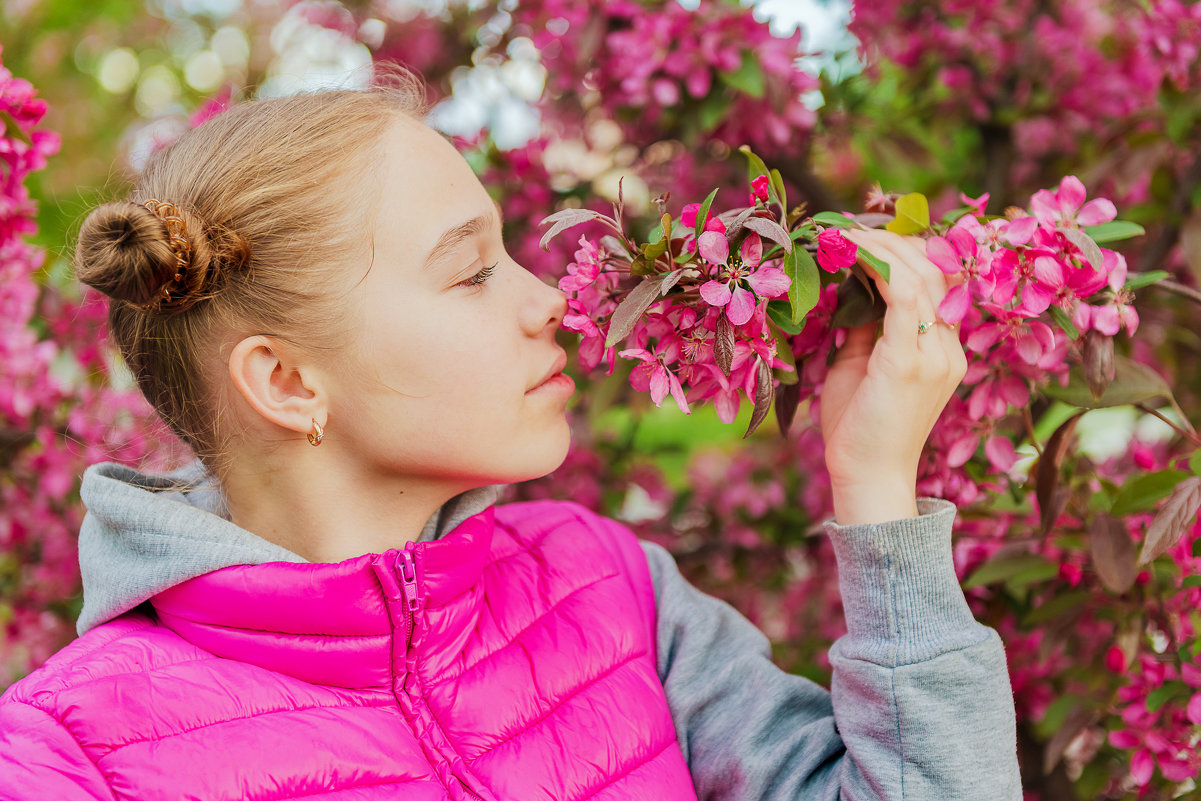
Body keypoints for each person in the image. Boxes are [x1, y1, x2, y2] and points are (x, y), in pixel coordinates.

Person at [0, 74, 1021, 800]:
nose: (552, 305)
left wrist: (875, 485)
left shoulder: (610, 587)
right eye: (471, 271)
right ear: (285, 381)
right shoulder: (70, 753)